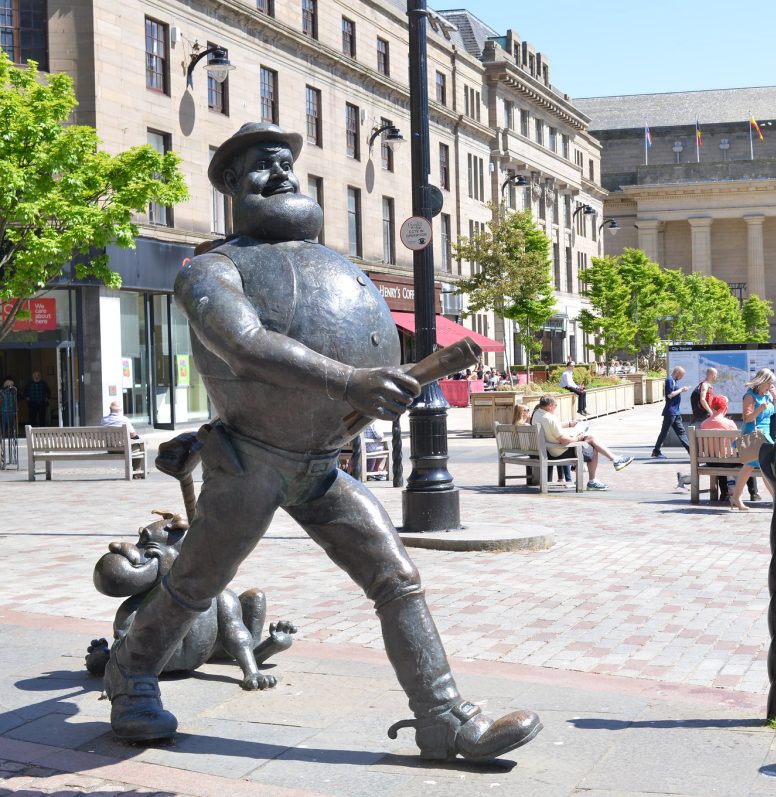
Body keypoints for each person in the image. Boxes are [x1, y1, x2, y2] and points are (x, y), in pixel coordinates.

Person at [97, 123, 541, 761]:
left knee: (397, 577)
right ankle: (132, 675)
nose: (280, 175)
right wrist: (351, 379)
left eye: (286, 163)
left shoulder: (324, 260)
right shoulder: (210, 269)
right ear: (227, 184)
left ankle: (445, 719)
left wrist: (374, 389)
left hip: (320, 463)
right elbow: (243, 346)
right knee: (197, 581)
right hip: (250, 459)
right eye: (259, 166)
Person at [532, 394, 632, 490]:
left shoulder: (537, 414)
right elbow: (563, 440)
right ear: (550, 406)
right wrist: (578, 438)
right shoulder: (550, 418)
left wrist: (570, 424)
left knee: (590, 438)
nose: (556, 407)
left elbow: (554, 427)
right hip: (558, 451)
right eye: (555, 405)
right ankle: (594, 480)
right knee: (592, 446)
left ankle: (615, 460)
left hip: (549, 449)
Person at [729, 368, 776, 511]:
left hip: (765, 434)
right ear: (761, 382)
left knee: (754, 467)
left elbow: (775, 412)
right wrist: (759, 409)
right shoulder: (750, 396)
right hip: (754, 435)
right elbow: (747, 418)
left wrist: (775, 398)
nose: (771, 386)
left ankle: (736, 498)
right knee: (763, 467)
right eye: (769, 383)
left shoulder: (767, 395)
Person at [651, 366, 690, 458]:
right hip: (671, 411)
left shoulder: (674, 381)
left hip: (675, 412)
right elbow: (670, 395)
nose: (681, 378)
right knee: (665, 432)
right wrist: (681, 390)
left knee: (681, 432)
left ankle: (691, 450)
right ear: (677, 373)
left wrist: (680, 390)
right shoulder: (669, 380)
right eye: (681, 376)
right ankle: (656, 451)